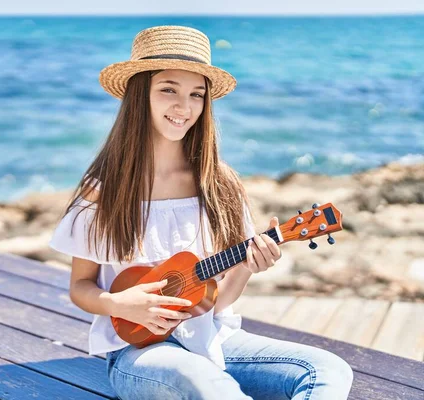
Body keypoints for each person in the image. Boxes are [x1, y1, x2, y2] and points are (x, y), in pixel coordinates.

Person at [49, 25, 353, 400]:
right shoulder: (104, 190)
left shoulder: (219, 184)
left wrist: (246, 265)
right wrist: (118, 303)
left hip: (214, 338)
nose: (184, 107)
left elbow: (217, 301)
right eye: (168, 90)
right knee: (206, 383)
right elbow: (81, 287)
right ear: (137, 94)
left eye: (197, 95)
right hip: (139, 352)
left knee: (327, 369)